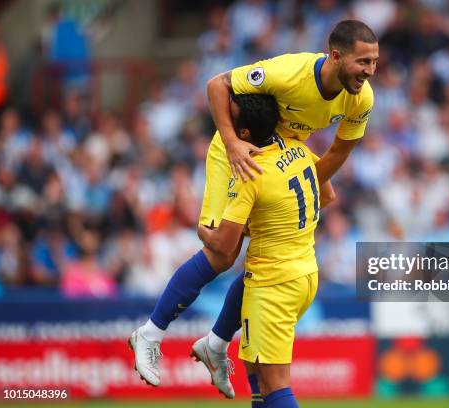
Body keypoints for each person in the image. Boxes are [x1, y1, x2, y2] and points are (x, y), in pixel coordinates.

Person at [129, 19, 379, 397]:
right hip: (241, 151)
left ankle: (214, 344)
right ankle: (150, 333)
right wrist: (231, 143)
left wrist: (299, 186)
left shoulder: (361, 98)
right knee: (221, 252)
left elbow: (340, 150)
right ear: (335, 56)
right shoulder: (288, 73)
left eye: (374, 62)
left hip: (284, 154)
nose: (370, 71)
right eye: (363, 61)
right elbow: (217, 85)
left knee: (268, 254)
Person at [195, 92, 321, 408]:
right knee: (256, 375)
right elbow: (328, 192)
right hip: (305, 272)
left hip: (272, 282)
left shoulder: (250, 172)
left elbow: (224, 246)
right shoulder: (298, 150)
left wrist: (203, 232)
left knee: (275, 385)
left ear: (244, 134)